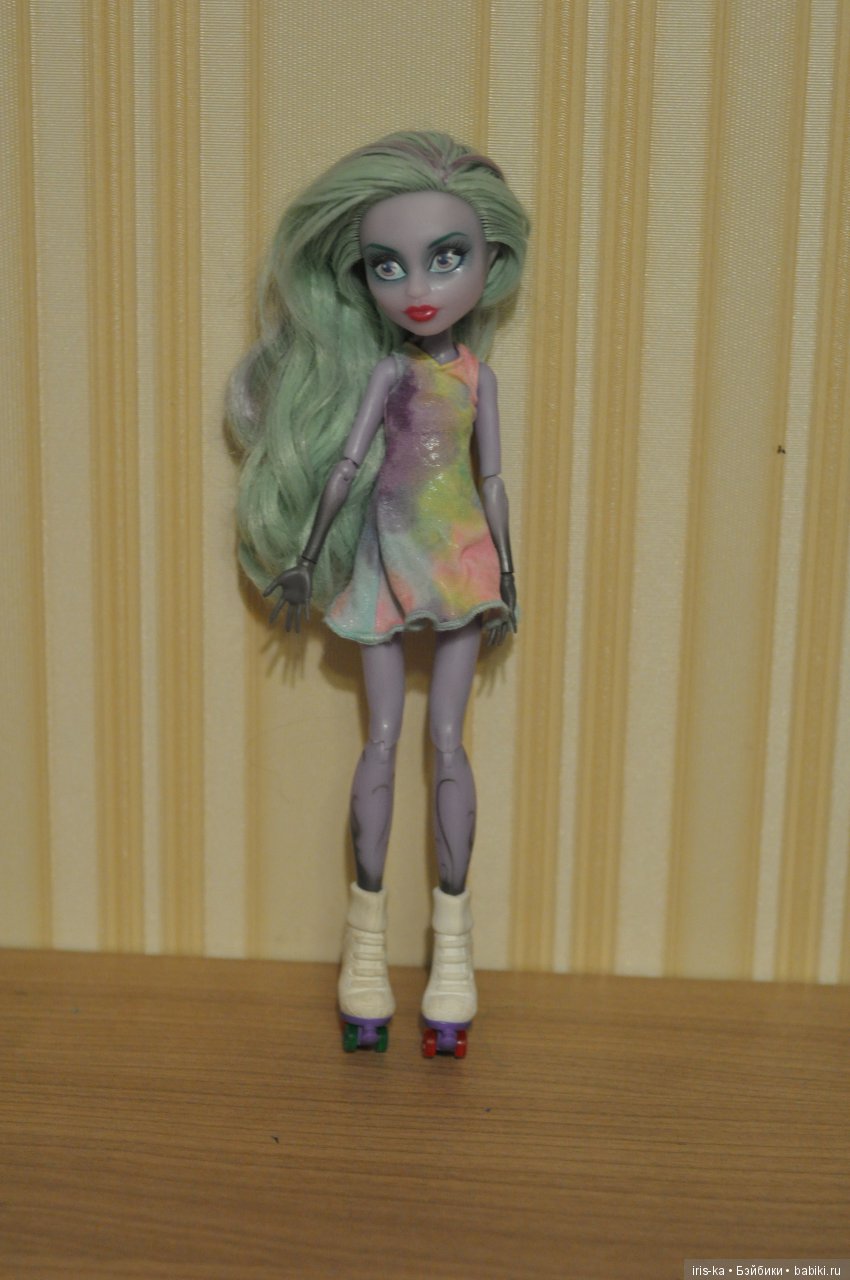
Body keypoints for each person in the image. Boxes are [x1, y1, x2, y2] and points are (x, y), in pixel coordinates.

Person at [228, 131, 529, 1054]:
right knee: (384, 740)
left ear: (491, 262)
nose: (418, 287)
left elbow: (491, 480)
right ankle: (364, 950)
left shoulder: (476, 376)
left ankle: (453, 954)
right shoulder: (390, 372)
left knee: (447, 742)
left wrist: (509, 570)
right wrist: (307, 555)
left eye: (447, 258)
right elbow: (347, 465)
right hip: (384, 558)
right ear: (359, 278)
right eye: (386, 266)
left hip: (461, 565)